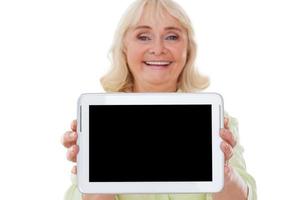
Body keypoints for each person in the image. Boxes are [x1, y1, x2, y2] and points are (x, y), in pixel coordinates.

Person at [61, 0, 257, 199]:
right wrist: (97, 174)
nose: (158, 48)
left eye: (172, 36)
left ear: (188, 49)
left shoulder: (217, 121)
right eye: (143, 36)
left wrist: (225, 173)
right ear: (124, 48)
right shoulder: (99, 121)